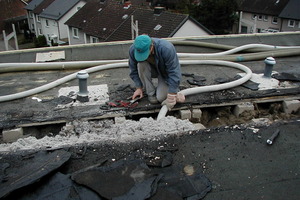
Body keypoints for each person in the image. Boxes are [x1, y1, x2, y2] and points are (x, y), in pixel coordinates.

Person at [128, 34, 185, 110]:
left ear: (151, 46)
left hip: (164, 72)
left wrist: (172, 94)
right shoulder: (133, 49)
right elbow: (133, 70)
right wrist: (138, 87)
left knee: (161, 98)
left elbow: (174, 72)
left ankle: (175, 91)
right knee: (141, 64)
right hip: (150, 69)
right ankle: (150, 93)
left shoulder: (166, 48)